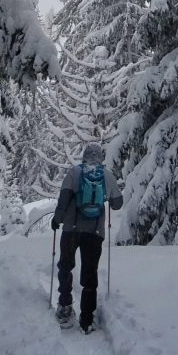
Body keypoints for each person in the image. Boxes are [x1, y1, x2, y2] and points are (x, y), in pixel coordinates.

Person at [51, 140, 123, 332]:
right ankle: (87, 319)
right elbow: (117, 204)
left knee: (65, 265)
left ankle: (65, 307)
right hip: (94, 232)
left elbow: (63, 199)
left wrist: (57, 220)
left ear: (84, 156)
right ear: (100, 158)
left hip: (70, 229)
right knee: (89, 273)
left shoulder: (74, 172)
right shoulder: (106, 175)